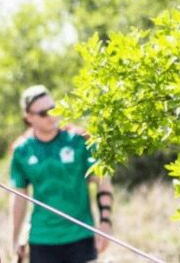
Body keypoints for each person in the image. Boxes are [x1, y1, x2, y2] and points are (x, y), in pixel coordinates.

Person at [10, 85, 113, 263]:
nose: (51, 115)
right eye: (43, 113)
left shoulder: (80, 141)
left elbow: (102, 181)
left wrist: (105, 222)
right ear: (29, 117)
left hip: (80, 235)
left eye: (53, 108)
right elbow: (19, 196)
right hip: (41, 239)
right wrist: (16, 237)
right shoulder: (21, 151)